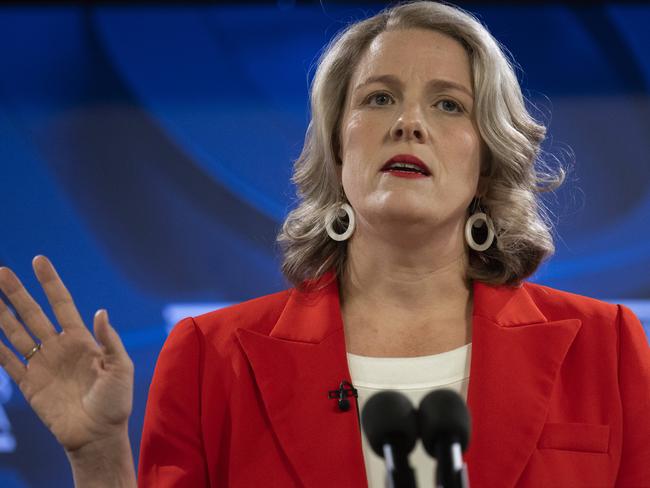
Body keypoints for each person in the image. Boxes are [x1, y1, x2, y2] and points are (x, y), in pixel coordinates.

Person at [0, 1, 649, 487]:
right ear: (339, 150)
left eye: (449, 105)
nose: (409, 122)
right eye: (379, 97)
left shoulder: (606, 346)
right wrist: (99, 454)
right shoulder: (210, 360)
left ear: (488, 160)